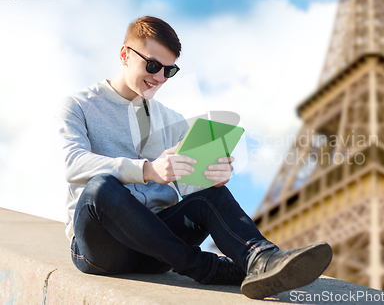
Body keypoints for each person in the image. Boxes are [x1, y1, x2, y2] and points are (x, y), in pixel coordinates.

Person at [58, 15, 332, 299]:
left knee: (212, 197)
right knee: (100, 188)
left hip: (157, 251)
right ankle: (208, 267)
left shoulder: (172, 120)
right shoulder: (79, 105)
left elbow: (188, 189)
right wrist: (148, 170)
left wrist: (210, 178)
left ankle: (261, 259)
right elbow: (73, 163)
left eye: (169, 71)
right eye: (152, 65)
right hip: (103, 250)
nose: (159, 78)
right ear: (125, 55)